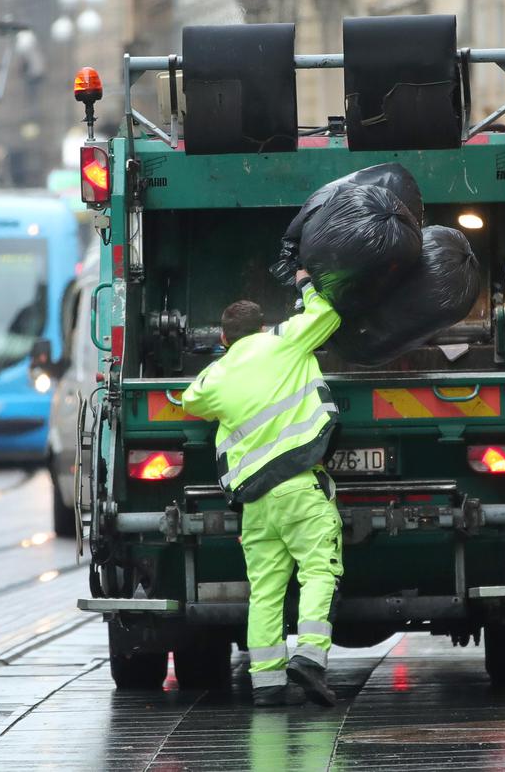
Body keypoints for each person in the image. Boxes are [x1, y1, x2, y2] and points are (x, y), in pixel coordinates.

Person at [181, 271, 343, 708]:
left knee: (266, 589)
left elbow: (190, 399)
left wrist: (223, 361)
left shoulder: (216, 375)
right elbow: (326, 313)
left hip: (255, 503)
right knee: (317, 570)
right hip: (300, 489)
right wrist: (306, 283)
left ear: (222, 336)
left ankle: (267, 684)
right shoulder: (286, 341)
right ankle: (310, 655)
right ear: (262, 325)